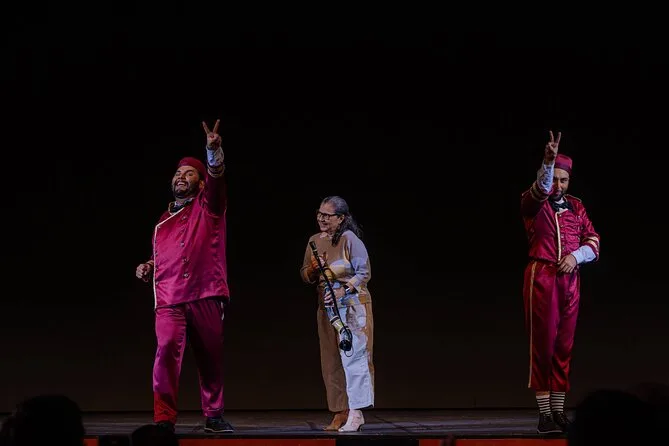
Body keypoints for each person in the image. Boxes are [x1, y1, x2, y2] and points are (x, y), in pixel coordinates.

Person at [135, 119, 233, 434]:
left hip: (205, 292)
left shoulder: (209, 207)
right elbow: (168, 254)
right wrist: (150, 265)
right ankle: (164, 418)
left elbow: (217, 181)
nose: (181, 176)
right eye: (178, 173)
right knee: (165, 352)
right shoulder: (163, 220)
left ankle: (214, 416)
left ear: (201, 183)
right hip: (169, 298)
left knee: (210, 358)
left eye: (189, 173)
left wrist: (213, 152)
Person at [520, 130, 601, 434]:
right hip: (542, 277)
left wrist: (576, 257)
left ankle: (558, 409)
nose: (558, 185)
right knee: (543, 345)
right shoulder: (533, 202)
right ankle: (544, 413)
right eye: (554, 179)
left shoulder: (577, 207)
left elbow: (593, 240)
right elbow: (540, 189)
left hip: (570, 281)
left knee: (564, 346)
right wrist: (548, 162)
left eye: (563, 180)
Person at [300, 196, 375, 432]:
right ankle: (339, 411)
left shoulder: (349, 239)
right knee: (331, 360)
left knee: (354, 357)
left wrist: (344, 289)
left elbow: (364, 272)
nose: (322, 219)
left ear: (341, 218)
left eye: (327, 215)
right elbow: (305, 274)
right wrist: (313, 270)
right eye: (319, 214)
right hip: (327, 307)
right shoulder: (314, 241)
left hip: (352, 306)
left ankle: (356, 412)